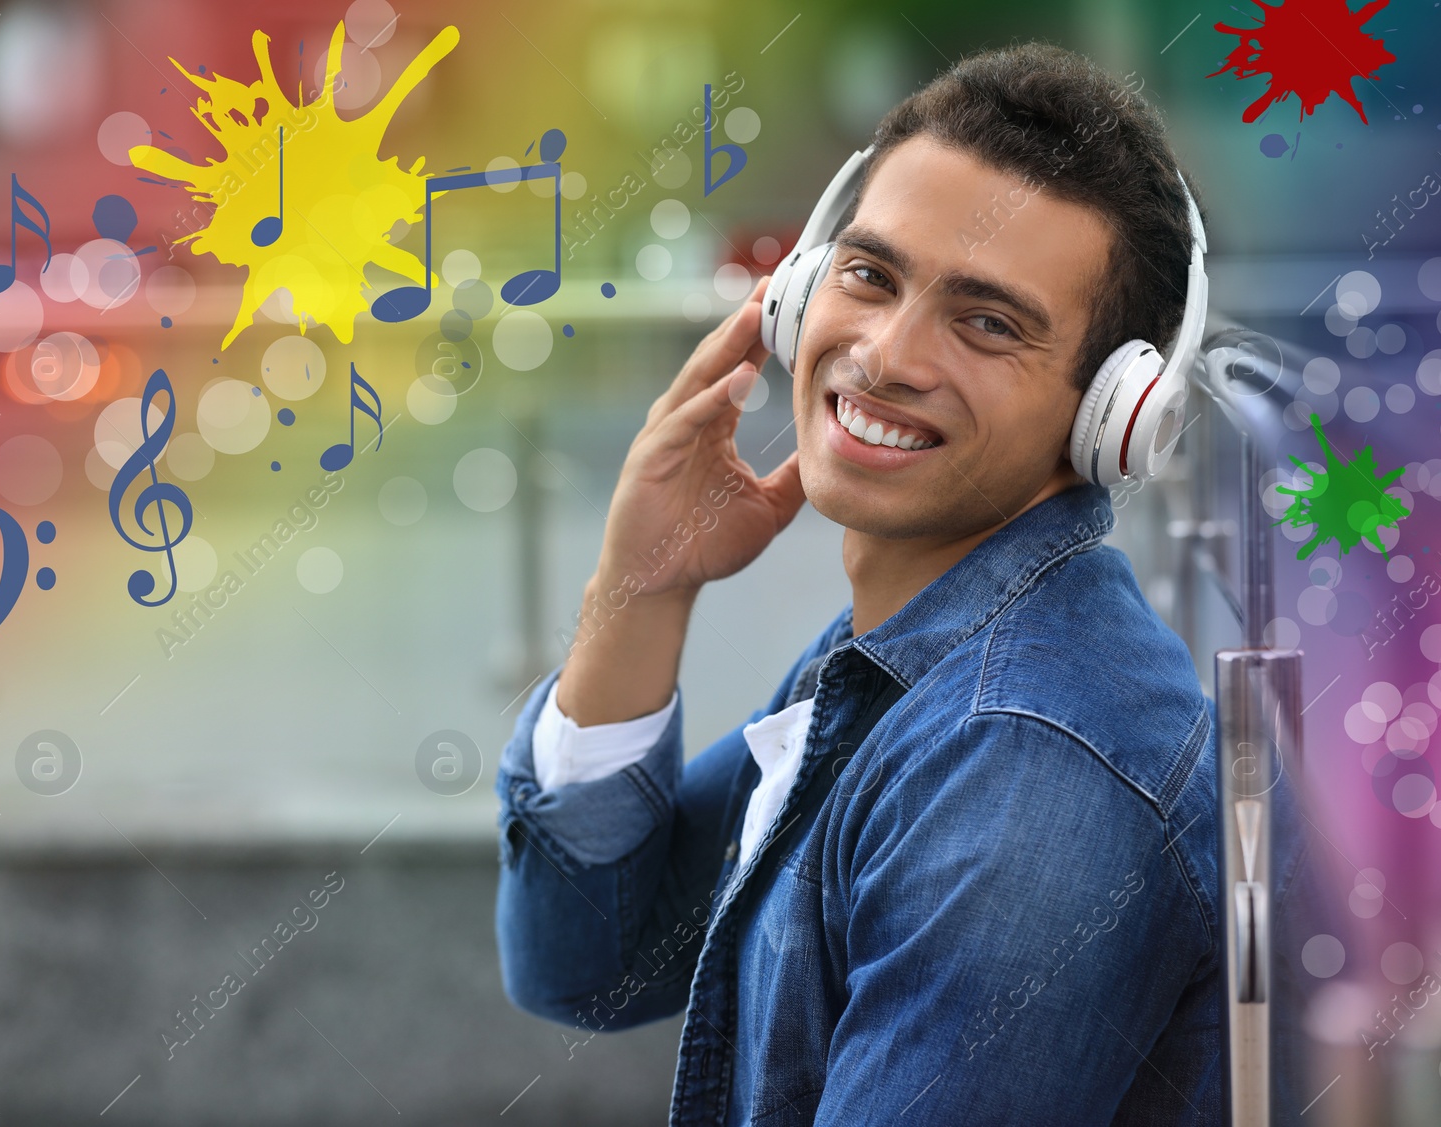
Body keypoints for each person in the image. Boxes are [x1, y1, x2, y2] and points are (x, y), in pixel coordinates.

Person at [495, 42, 1220, 1125]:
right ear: (794, 294)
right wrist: (641, 587)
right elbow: (583, 960)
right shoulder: (907, 660)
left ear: (1111, 416)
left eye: (985, 322)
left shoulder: (1021, 761)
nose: (883, 354)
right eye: (870, 275)